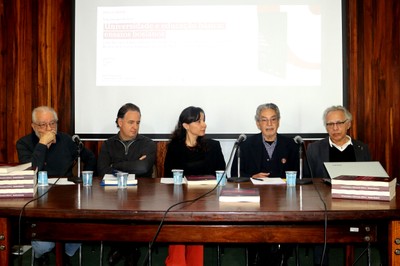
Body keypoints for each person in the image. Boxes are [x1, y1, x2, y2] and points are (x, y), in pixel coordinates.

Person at [16, 106, 96, 266]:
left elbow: (90, 157)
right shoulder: (24, 143)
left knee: (82, 231)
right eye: (42, 125)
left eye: (52, 123)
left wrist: (85, 177)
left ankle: (64, 253)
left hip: (67, 201)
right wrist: (42, 145)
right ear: (33, 126)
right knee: (44, 243)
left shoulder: (66, 140)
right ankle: (42, 254)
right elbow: (31, 170)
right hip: (38, 202)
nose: (48, 129)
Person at [230, 103, 299, 266]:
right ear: (257, 123)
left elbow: (301, 176)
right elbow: (234, 175)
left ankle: (282, 256)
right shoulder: (245, 145)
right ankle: (257, 257)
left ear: (279, 122)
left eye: (273, 119)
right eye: (264, 120)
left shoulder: (291, 145)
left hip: (284, 201)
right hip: (254, 201)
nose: (269, 124)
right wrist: (251, 177)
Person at [304, 105, 371, 266]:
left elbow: (370, 179)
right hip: (325, 206)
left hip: (356, 204)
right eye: (330, 124)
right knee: (322, 230)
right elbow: (308, 181)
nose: (335, 128)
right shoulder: (314, 149)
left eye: (339, 123)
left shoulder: (362, 149)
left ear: (348, 124)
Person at [164, 106, 226, 266]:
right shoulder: (174, 147)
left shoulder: (213, 146)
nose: (204, 124)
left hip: (206, 201)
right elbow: (168, 177)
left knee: (195, 231)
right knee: (178, 227)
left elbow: (221, 175)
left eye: (204, 120)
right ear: (185, 125)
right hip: (180, 202)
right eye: (199, 121)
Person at [97, 103, 156, 266]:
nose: (135, 127)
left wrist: (115, 165)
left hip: (141, 194)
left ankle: (123, 250)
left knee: (132, 213)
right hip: (112, 193)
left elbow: (143, 168)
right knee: (112, 212)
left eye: (138, 123)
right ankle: (129, 250)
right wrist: (132, 164)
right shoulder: (108, 144)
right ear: (120, 122)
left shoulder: (148, 143)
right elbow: (102, 170)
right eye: (131, 122)